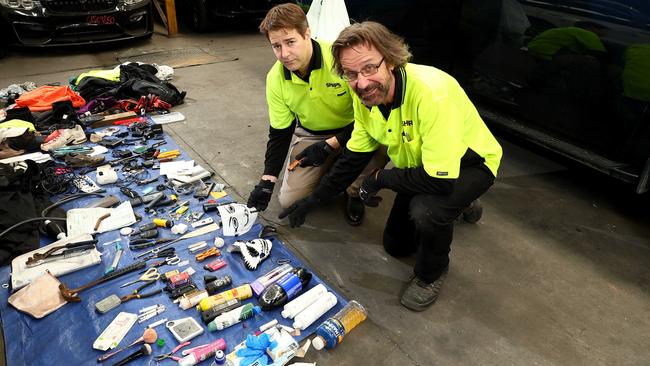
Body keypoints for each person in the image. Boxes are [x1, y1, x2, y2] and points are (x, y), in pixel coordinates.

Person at [278, 21, 503, 311]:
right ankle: (460, 203)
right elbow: (353, 157)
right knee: (396, 246)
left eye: (370, 68)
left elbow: (440, 182)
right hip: (421, 166)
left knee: (427, 212)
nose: (361, 82)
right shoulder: (364, 97)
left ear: (392, 60)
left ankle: (431, 275)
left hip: (469, 163)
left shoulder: (431, 93)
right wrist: (312, 200)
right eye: (351, 74)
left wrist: (380, 178)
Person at [247, 3, 388, 225]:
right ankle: (334, 169)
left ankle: (354, 192)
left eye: (290, 42)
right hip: (311, 134)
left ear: (307, 34)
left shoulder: (340, 61)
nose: (284, 54)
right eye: (276, 46)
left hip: (357, 129)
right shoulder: (275, 79)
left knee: (383, 140)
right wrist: (267, 180)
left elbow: (373, 115)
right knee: (288, 200)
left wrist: (333, 143)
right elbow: (280, 133)